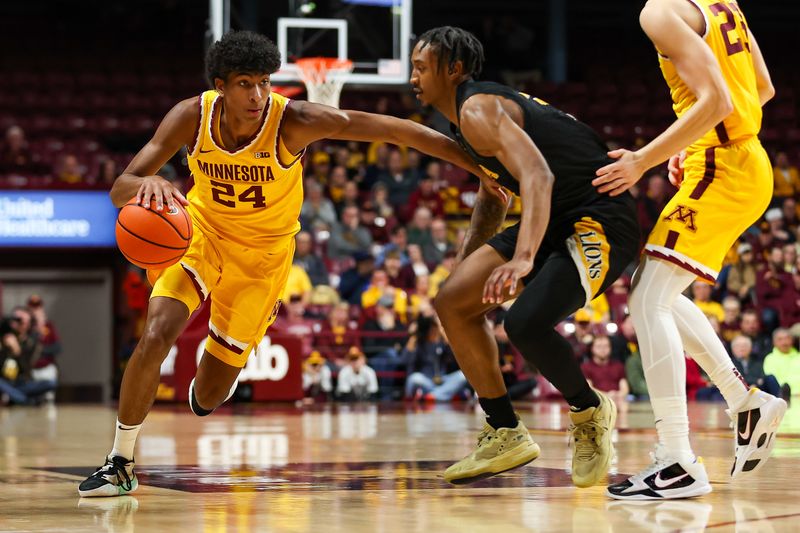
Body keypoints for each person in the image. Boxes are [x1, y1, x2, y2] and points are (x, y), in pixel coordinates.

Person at [78, 30, 488, 498]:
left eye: (264, 83)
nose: (257, 95)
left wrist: (478, 166)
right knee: (155, 335)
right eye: (244, 84)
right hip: (203, 236)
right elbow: (120, 187)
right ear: (220, 85)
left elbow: (395, 130)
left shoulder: (295, 120)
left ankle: (219, 374)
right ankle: (119, 463)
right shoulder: (193, 115)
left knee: (207, 397)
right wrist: (148, 183)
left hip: (263, 262)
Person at [411, 27, 640, 487]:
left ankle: (589, 410)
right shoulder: (466, 117)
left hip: (600, 218)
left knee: (525, 323)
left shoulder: (477, 108)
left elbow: (538, 175)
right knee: (453, 302)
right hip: (556, 217)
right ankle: (504, 430)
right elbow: (493, 198)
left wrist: (523, 258)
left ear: (453, 69)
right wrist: (468, 266)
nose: (412, 76)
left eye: (421, 67)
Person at [593, 0, 787, 500]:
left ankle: (678, 459)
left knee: (645, 300)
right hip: (740, 160)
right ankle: (744, 402)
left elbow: (719, 103)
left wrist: (642, 160)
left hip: (723, 167)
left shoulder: (658, 11)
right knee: (655, 294)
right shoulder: (725, 4)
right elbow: (760, 90)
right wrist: (688, 147)